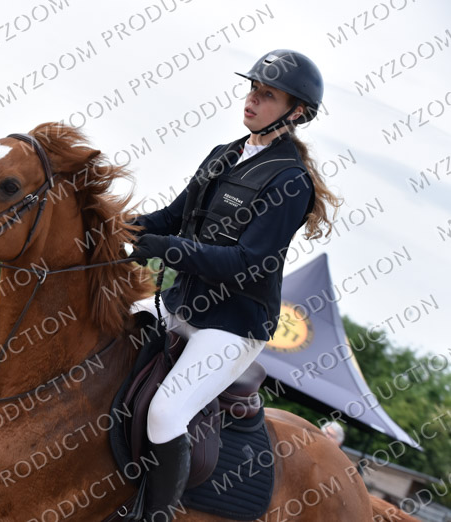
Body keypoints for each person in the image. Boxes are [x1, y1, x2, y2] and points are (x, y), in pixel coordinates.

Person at [128, 50, 342, 520]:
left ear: (296, 112)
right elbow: (173, 217)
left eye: (268, 95)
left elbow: (248, 263)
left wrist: (167, 248)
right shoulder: (225, 154)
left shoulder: (291, 180)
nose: (252, 100)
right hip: (180, 303)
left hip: (233, 325)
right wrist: (117, 226)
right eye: (253, 89)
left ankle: (156, 514)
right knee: (96, 339)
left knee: (165, 414)